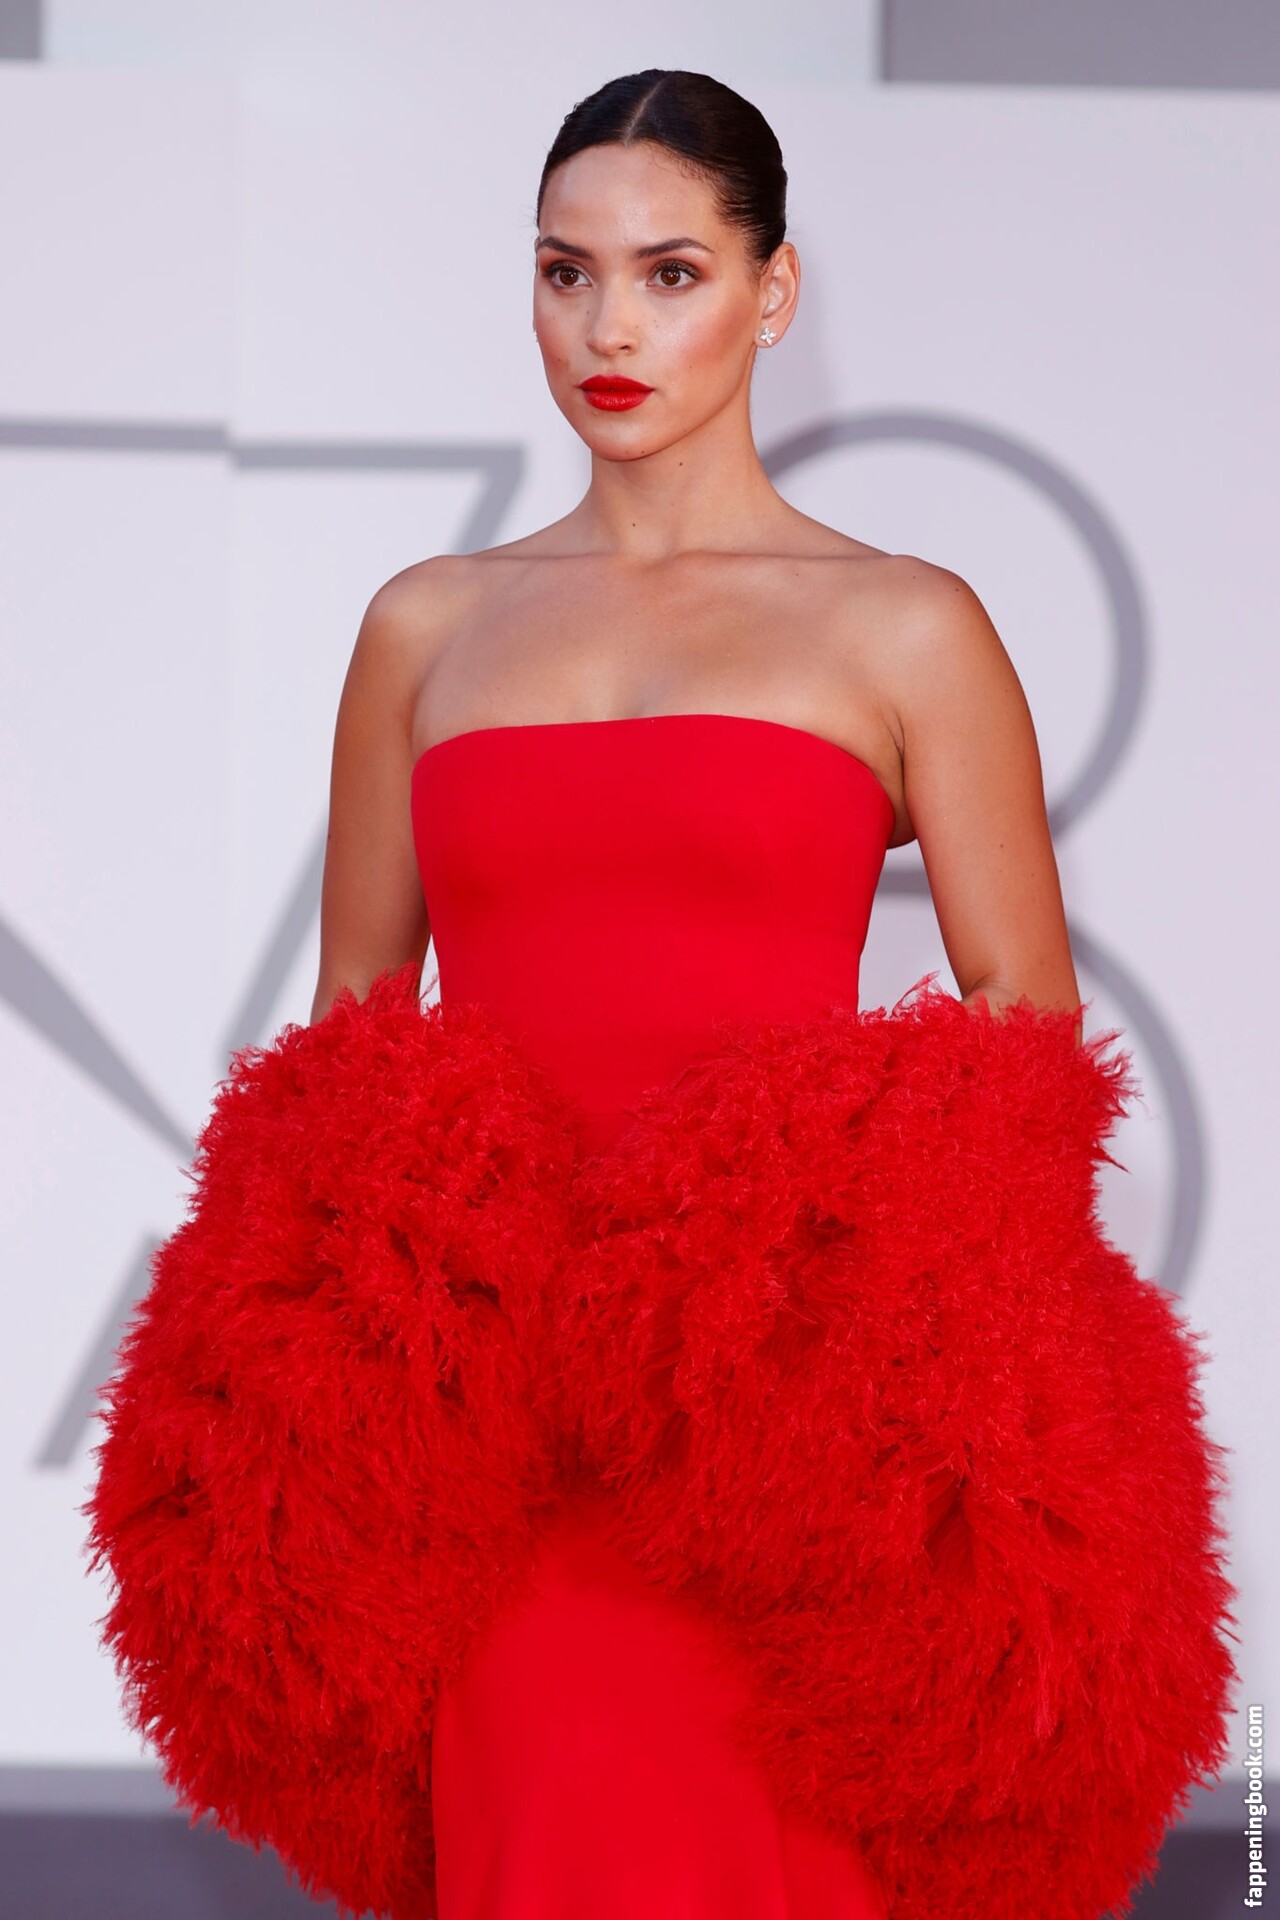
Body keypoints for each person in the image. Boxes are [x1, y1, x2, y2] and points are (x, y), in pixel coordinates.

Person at [86, 69, 1237, 1920]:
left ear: (775, 293)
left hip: (778, 1448)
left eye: (671, 273)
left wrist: (819, 1318)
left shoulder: (903, 624)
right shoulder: (425, 624)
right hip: (501, 1454)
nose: (608, 328)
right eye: (568, 272)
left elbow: (1023, 1032)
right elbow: (353, 1032)